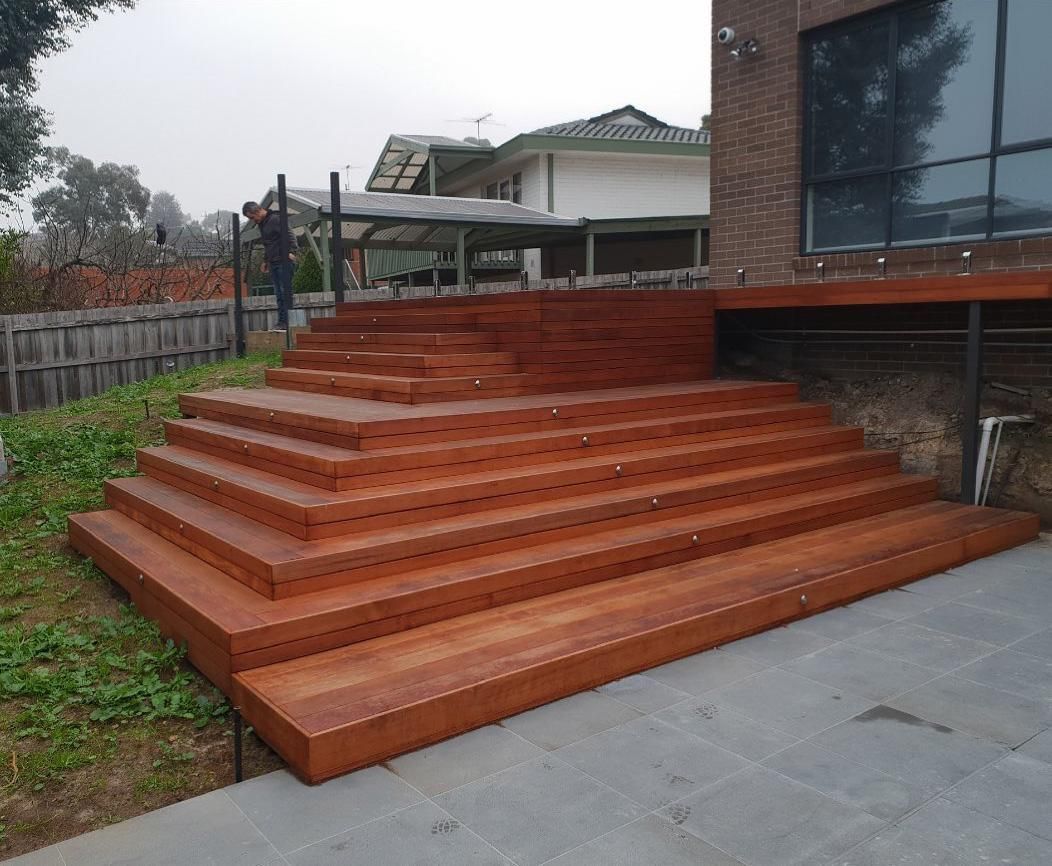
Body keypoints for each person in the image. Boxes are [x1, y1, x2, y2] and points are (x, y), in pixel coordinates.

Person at [242, 201, 296, 329]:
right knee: (278, 294)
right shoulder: (262, 224)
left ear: (257, 211)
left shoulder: (276, 219)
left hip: (284, 260)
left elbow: (289, 234)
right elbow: (269, 243)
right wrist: (265, 261)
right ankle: (282, 322)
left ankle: (288, 322)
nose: (253, 220)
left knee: (285, 292)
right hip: (273, 262)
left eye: (251, 217)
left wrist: (292, 251)